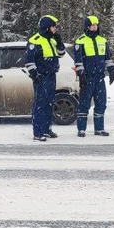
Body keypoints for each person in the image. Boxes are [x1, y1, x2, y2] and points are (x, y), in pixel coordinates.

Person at [73, 14, 114, 137]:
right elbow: (78, 61)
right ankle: (81, 129)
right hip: (88, 78)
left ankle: (99, 128)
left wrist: (111, 70)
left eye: (96, 25)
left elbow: (108, 58)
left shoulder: (102, 40)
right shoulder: (80, 41)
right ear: (87, 26)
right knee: (84, 104)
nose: (95, 27)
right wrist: (82, 75)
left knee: (101, 103)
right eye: (92, 25)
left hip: (99, 78)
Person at [25, 14, 64, 142]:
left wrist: (59, 43)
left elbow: (61, 54)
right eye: (54, 27)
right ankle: (38, 132)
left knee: (49, 103)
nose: (55, 29)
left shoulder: (52, 40)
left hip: (52, 75)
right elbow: (29, 61)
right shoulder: (35, 40)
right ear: (47, 27)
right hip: (41, 77)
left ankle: (47, 129)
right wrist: (34, 75)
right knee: (40, 105)